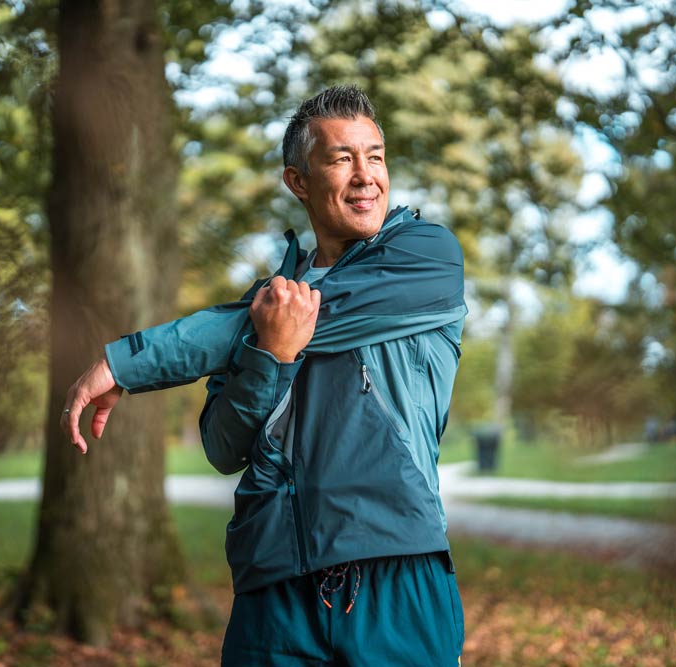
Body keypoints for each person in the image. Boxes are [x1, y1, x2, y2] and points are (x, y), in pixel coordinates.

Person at [61, 85, 467, 667]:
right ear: (298, 181)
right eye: (340, 158)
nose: (365, 177)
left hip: (395, 574)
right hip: (272, 585)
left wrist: (127, 363)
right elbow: (224, 446)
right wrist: (272, 356)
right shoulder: (262, 307)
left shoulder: (425, 258)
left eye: (375, 156)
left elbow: (283, 319)